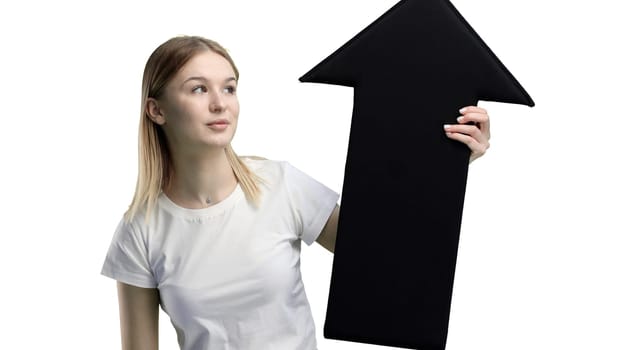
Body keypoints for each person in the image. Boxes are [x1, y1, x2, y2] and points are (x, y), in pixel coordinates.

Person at [101, 35, 491, 350]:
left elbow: (380, 251)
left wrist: (449, 163)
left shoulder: (280, 186)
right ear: (156, 110)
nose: (220, 104)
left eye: (229, 88)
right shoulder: (140, 231)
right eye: (199, 89)